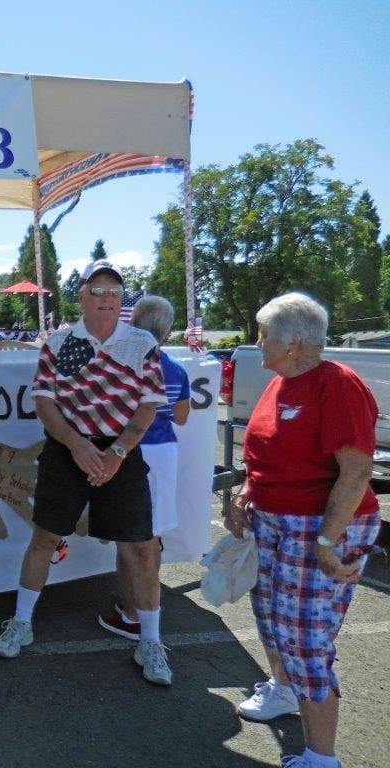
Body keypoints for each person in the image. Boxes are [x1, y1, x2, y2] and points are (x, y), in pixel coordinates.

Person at [0, 260, 172, 685]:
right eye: (97, 291)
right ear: (82, 296)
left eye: (113, 292)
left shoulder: (142, 343)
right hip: (66, 452)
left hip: (121, 455)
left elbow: (149, 404)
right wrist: (77, 445)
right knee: (44, 538)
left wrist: (118, 452)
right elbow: (44, 402)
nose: (106, 299)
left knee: (141, 549)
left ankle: (151, 640)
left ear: (122, 300)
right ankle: (21, 622)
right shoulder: (58, 342)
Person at [225, 292, 381, 768]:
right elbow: (265, 456)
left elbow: (356, 472)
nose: (258, 342)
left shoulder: (336, 384)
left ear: (293, 342)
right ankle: (284, 690)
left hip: (320, 526)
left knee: (305, 638)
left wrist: (328, 542)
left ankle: (322, 758)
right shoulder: (281, 382)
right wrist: (245, 495)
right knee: (272, 619)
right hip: (275, 521)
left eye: (264, 334)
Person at [97, 296, 190, 647]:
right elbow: (181, 416)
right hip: (163, 451)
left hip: (128, 451)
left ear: (133, 323)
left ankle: (132, 612)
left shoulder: (117, 364)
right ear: (167, 332)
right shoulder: (176, 369)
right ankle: (142, 606)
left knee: (130, 538)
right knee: (151, 536)